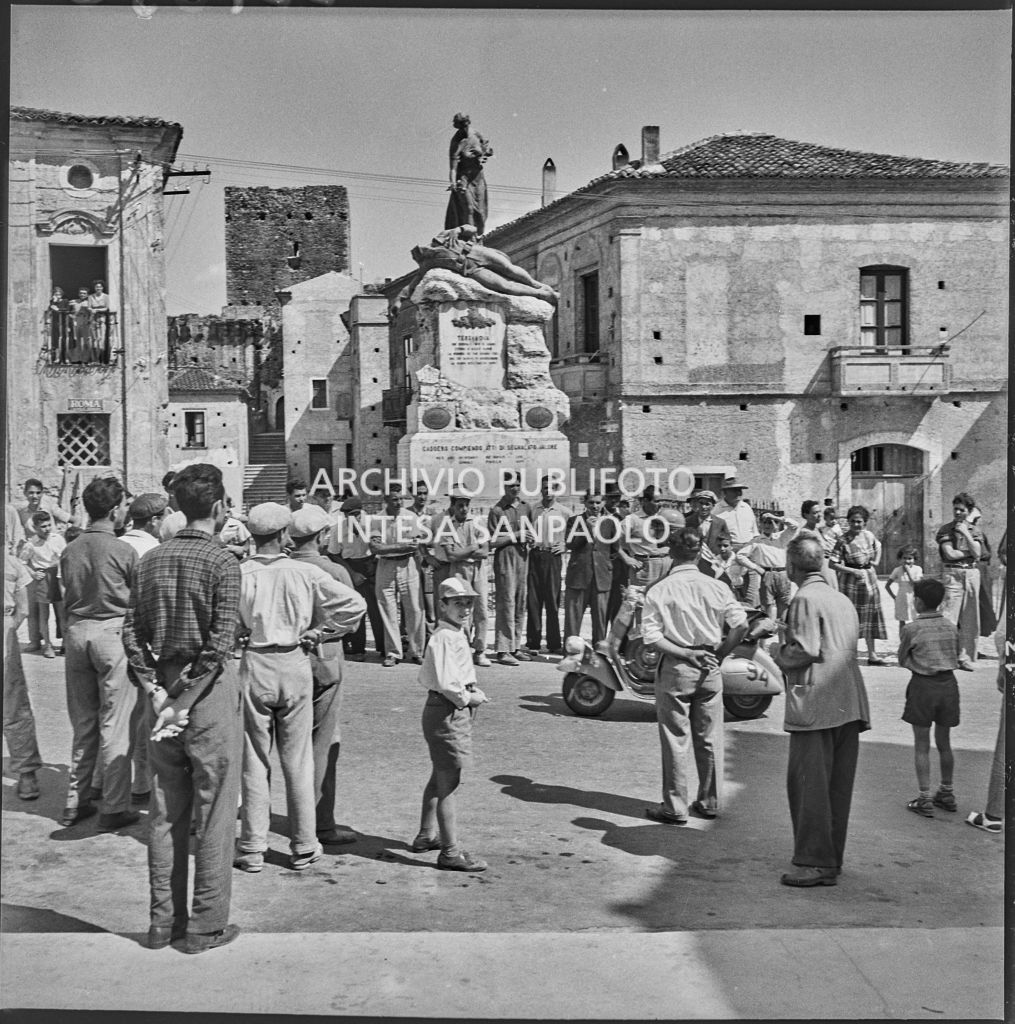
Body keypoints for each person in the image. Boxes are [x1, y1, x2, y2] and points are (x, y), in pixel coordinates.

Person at [122, 463, 243, 953]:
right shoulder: (224, 562)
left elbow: (131, 633)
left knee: (166, 809)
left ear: (176, 508)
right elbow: (219, 644)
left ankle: (161, 923)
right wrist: (185, 697)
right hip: (207, 692)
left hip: (163, 686)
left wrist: (157, 690)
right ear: (218, 508)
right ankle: (204, 925)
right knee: (214, 811)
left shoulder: (149, 560)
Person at [234, 503, 366, 874]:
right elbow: (354, 606)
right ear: (282, 535)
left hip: (255, 662)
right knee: (299, 759)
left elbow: (225, 618)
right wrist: (321, 633)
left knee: (255, 760)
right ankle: (304, 844)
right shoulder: (304, 572)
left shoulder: (238, 572)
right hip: (293, 661)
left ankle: (252, 846)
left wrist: (239, 632)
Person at [776, 536, 871, 887]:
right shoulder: (840, 597)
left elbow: (804, 650)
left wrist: (776, 651)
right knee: (837, 788)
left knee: (808, 787)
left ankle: (813, 862)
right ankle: (829, 861)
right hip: (848, 702)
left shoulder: (804, 598)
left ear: (791, 566)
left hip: (815, 704)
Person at [641, 528, 748, 823]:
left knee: (676, 737)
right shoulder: (716, 586)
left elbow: (651, 637)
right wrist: (722, 653)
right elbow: (740, 626)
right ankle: (710, 800)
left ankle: (675, 806)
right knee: (710, 736)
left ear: (671, 553)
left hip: (677, 665)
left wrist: (686, 654)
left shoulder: (660, 589)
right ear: (699, 551)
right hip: (710, 663)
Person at [59, 476, 140, 831]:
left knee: (84, 722)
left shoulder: (70, 548)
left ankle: (76, 800)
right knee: (115, 723)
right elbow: (138, 601)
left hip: (77, 632)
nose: (124, 511)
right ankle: (114, 805)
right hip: (112, 632)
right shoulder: (124, 550)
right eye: (122, 505)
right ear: (113, 510)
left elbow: (60, 595)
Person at [286, 504, 367, 848]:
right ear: (321, 536)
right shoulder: (333, 570)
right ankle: (319, 824)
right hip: (325, 655)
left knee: (287, 742)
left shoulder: (282, 567)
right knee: (323, 744)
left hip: (285, 657)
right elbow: (354, 619)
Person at [412, 576, 490, 872]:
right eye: (458, 603)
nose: (465, 608)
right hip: (447, 709)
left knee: (439, 776)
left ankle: (426, 835)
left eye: (468, 603)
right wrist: (469, 697)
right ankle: (449, 852)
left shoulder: (454, 632)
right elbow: (447, 682)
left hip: (445, 708)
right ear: (442, 604)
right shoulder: (445, 636)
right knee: (449, 784)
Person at [897, 577, 961, 818]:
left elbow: (902, 658)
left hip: (923, 686)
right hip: (948, 686)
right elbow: (955, 653)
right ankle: (946, 791)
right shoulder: (951, 626)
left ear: (918, 602)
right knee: (944, 742)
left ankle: (924, 798)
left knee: (922, 745)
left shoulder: (911, 628)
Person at [401, 225, 558, 307]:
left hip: (476, 252)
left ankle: (536, 285)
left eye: (420, 251)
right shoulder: (427, 264)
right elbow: (413, 284)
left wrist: (459, 229)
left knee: (509, 269)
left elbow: (473, 228)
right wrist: (398, 300)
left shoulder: (441, 237)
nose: (421, 254)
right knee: (505, 285)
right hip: (471, 270)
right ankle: (542, 295)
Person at [430, 492, 491, 666]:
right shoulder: (447, 525)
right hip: (458, 571)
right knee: (460, 611)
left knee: (481, 610)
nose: (464, 509)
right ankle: (462, 649)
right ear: (453, 506)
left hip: (478, 570)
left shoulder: (477, 522)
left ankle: (480, 651)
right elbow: (451, 555)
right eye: (460, 505)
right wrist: (473, 547)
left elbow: (485, 551)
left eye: (466, 505)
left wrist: (463, 551)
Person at [370, 485, 426, 667]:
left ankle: (417, 651)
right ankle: (393, 652)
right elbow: (375, 548)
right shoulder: (378, 519)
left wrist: (391, 548)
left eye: (401, 498)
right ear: (386, 500)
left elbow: (413, 545)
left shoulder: (410, 517)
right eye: (394, 499)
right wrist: (399, 547)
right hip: (385, 565)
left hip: (408, 564)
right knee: (388, 609)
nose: (399, 502)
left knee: (415, 609)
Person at [4, 549, 43, 801]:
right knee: (15, 705)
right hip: (4, 631)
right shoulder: (11, 562)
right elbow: (24, 610)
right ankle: (27, 777)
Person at [327, 495, 385, 661]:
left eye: (356, 514)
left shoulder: (373, 523)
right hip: (351, 567)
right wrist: (352, 573)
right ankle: (358, 648)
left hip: (372, 565)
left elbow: (381, 546)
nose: (353, 518)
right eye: (348, 515)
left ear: (362, 512)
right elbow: (334, 554)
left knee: (377, 609)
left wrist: (375, 564)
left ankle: (382, 646)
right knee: (356, 609)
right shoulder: (337, 529)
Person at [936, 492, 989, 671]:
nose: (958, 513)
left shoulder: (975, 531)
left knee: (970, 619)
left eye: (962, 510)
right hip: (953, 573)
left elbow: (979, 553)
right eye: (956, 509)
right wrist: (970, 552)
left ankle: (964, 656)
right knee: (949, 617)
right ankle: (945, 656)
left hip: (972, 575)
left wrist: (966, 533)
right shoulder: (945, 529)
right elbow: (950, 554)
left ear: (969, 511)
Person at [829, 505, 887, 666]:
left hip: (869, 578)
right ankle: (850, 654)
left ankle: (872, 654)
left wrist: (876, 561)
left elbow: (879, 546)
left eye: (860, 522)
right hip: (850, 582)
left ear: (865, 523)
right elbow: (832, 564)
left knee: (871, 615)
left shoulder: (869, 536)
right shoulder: (842, 540)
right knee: (851, 618)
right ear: (848, 522)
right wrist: (851, 571)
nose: (856, 525)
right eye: (853, 521)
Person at [487, 473, 534, 666]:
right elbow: (492, 541)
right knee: (506, 602)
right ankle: (502, 649)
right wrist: (516, 535)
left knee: (520, 601)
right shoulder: (497, 510)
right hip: (505, 558)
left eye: (516, 485)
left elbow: (531, 531)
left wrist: (529, 538)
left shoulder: (526, 507)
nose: (514, 488)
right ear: (504, 487)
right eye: (509, 485)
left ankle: (515, 646)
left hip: (523, 558)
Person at [563, 492, 614, 645]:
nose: (595, 506)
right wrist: (588, 530)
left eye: (598, 502)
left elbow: (615, 548)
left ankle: (599, 657)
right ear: (584, 503)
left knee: (600, 621)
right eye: (591, 502)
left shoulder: (610, 523)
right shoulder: (575, 521)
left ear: (603, 503)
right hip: (579, 575)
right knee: (573, 620)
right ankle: (571, 654)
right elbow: (570, 544)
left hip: (601, 577)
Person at [526, 477, 569, 656]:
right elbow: (526, 528)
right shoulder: (533, 509)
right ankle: (533, 643)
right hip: (536, 555)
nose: (547, 491)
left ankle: (553, 642)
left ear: (557, 489)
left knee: (552, 601)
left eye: (551, 488)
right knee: (534, 601)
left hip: (553, 556)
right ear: (540, 489)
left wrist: (565, 545)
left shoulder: (564, 512)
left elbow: (573, 535)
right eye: (544, 488)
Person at [20, 510, 66, 657]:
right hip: (43, 578)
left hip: (58, 575)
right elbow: (22, 562)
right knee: (43, 615)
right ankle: (47, 645)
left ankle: (66, 643)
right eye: (43, 527)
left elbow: (65, 555)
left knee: (62, 612)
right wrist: (33, 573)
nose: (47, 529)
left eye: (48, 525)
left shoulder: (57, 539)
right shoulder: (31, 544)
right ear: (35, 527)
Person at [735, 512, 795, 624]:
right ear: (760, 524)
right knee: (767, 608)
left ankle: (782, 641)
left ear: (775, 524)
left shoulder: (782, 537)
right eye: (764, 522)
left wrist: (776, 517)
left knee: (784, 609)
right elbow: (740, 556)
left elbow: (794, 526)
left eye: (770, 522)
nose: (767, 525)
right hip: (767, 574)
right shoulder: (757, 541)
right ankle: (765, 635)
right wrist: (756, 568)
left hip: (783, 574)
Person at [617, 486, 677, 593]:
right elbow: (613, 540)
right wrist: (626, 558)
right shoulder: (632, 520)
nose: (660, 504)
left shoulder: (666, 518)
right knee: (642, 601)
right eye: (656, 501)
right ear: (645, 501)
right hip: (646, 567)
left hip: (667, 564)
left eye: (661, 501)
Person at [445, 112, 493, 235]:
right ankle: (469, 239)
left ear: (468, 123)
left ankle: (479, 239)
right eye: (461, 127)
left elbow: (486, 148)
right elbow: (453, 168)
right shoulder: (456, 142)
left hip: (478, 177)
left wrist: (485, 154)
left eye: (465, 126)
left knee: (481, 213)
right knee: (469, 209)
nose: (464, 129)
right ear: (458, 127)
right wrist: (453, 183)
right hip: (464, 178)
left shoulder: (476, 134)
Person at [407, 484, 436, 639]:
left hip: (427, 563)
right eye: (419, 493)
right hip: (409, 562)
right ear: (413, 495)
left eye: (425, 493)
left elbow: (436, 538)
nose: (422, 497)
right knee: (411, 605)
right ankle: (410, 639)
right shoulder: (406, 514)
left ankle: (430, 640)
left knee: (430, 604)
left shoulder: (433, 515)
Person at [684, 490, 731, 579]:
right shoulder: (688, 521)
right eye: (701, 503)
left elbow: (726, 541)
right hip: (694, 563)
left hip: (714, 563)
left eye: (707, 504)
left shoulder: (720, 522)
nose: (703, 507)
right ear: (697, 504)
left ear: (713, 506)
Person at [603, 489, 628, 625]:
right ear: (605, 497)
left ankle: (615, 644)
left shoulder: (625, 517)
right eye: (611, 497)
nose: (614, 501)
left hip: (620, 567)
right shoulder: (598, 515)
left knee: (619, 605)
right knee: (602, 606)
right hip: (601, 566)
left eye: (617, 497)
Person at [885, 545, 923, 629]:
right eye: (904, 558)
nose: (907, 561)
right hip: (901, 598)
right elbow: (887, 586)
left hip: (914, 598)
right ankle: (903, 639)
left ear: (914, 559)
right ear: (900, 559)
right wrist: (894, 597)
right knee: (902, 621)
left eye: (910, 558)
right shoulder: (897, 570)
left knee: (915, 619)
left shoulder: (918, 569)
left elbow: (915, 582)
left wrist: (908, 571)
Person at [119, 493, 166, 559]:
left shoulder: (116, 543)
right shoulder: (156, 550)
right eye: (164, 519)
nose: (165, 523)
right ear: (154, 520)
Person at [69, 286, 92, 363]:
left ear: (87, 294)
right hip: (76, 322)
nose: (82, 295)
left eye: (84, 293)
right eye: (81, 293)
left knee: (86, 341)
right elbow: (68, 311)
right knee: (76, 341)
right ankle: (77, 358)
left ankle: (86, 359)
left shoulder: (89, 302)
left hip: (86, 322)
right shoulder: (74, 302)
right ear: (78, 294)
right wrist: (72, 317)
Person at [88, 280, 110, 359]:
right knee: (94, 338)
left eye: (100, 287)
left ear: (102, 288)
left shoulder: (106, 296)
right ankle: (95, 358)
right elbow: (89, 307)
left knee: (102, 338)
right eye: (97, 287)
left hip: (102, 318)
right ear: (94, 288)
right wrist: (92, 310)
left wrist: (97, 310)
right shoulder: (91, 297)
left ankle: (102, 357)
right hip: (93, 319)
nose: (98, 288)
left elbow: (107, 308)